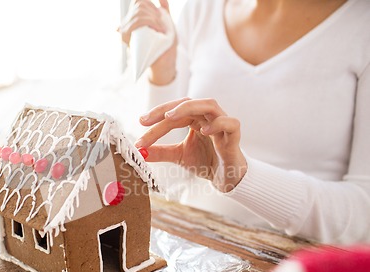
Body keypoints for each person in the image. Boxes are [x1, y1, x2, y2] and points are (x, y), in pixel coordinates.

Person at [119, 0, 370, 244]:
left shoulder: (361, 27)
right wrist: (162, 75)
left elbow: (363, 217)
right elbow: (166, 183)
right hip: (194, 249)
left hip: (293, 270)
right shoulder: (200, 10)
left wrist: (242, 178)